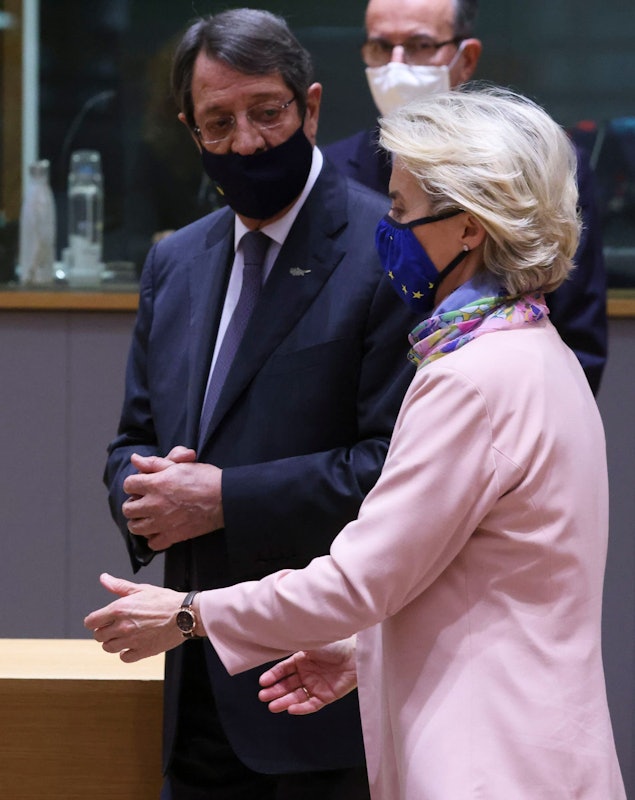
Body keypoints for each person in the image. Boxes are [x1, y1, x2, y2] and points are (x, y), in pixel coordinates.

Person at [88, 86, 626, 799]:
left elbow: (357, 580)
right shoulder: (535, 349)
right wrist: (362, 651)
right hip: (534, 746)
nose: (389, 229)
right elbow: (476, 576)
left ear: (468, 227)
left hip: (484, 760)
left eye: (401, 210)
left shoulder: (471, 378)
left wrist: (189, 613)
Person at [103, 8, 421, 799]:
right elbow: (130, 441)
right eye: (219, 122)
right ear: (191, 129)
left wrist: (222, 498)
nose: (245, 142)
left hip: (322, 682)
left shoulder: (391, 249)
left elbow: (395, 468)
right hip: (196, 682)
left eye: (266, 113)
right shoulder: (175, 261)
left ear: (310, 107)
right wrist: (143, 496)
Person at [323, 0, 609, 394]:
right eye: (382, 47)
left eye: (420, 45)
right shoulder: (330, 173)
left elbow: (578, 338)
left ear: (467, 57)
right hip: (360, 439)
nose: (397, 64)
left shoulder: (543, 166)